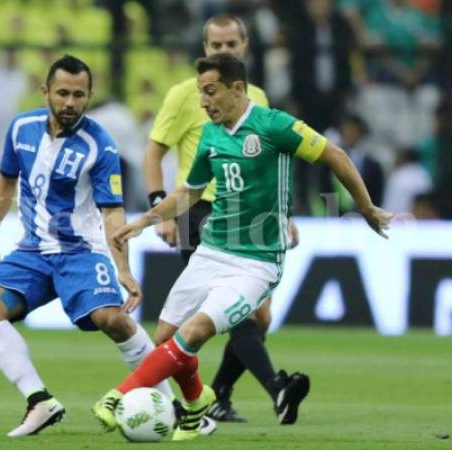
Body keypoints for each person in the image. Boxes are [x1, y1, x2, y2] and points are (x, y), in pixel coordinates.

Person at [94, 53, 392, 441]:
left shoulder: (275, 126)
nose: (203, 102)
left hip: (256, 263)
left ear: (238, 89)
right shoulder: (211, 133)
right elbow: (189, 192)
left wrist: (366, 209)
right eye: (201, 92)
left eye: (210, 91)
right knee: (166, 338)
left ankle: (119, 396)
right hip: (211, 251)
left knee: (196, 330)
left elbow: (333, 155)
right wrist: (143, 221)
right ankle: (197, 403)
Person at [0, 55, 174, 438]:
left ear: (90, 95)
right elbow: (4, 183)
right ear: (46, 91)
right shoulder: (21, 128)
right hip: (32, 251)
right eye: (62, 92)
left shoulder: (100, 146)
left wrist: (123, 269)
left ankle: (170, 404)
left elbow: (112, 212)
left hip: (81, 251)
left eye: (79, 95)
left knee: (113, 320)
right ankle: (39, 401)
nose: (70, 102)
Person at [143, 13, 301, 423]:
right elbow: (154, 150)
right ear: (204, 48)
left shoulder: (257, 98)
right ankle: (276, 387)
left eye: (231, 45)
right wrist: (159, 205)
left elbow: (271, 162)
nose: (224, 51)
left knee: (260, 317)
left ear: (244, 47)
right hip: (196, 212)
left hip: (249, 216)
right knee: (239, 314)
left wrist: (285, 214)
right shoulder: (185, 94)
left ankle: (217, 395)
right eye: (216, 46)